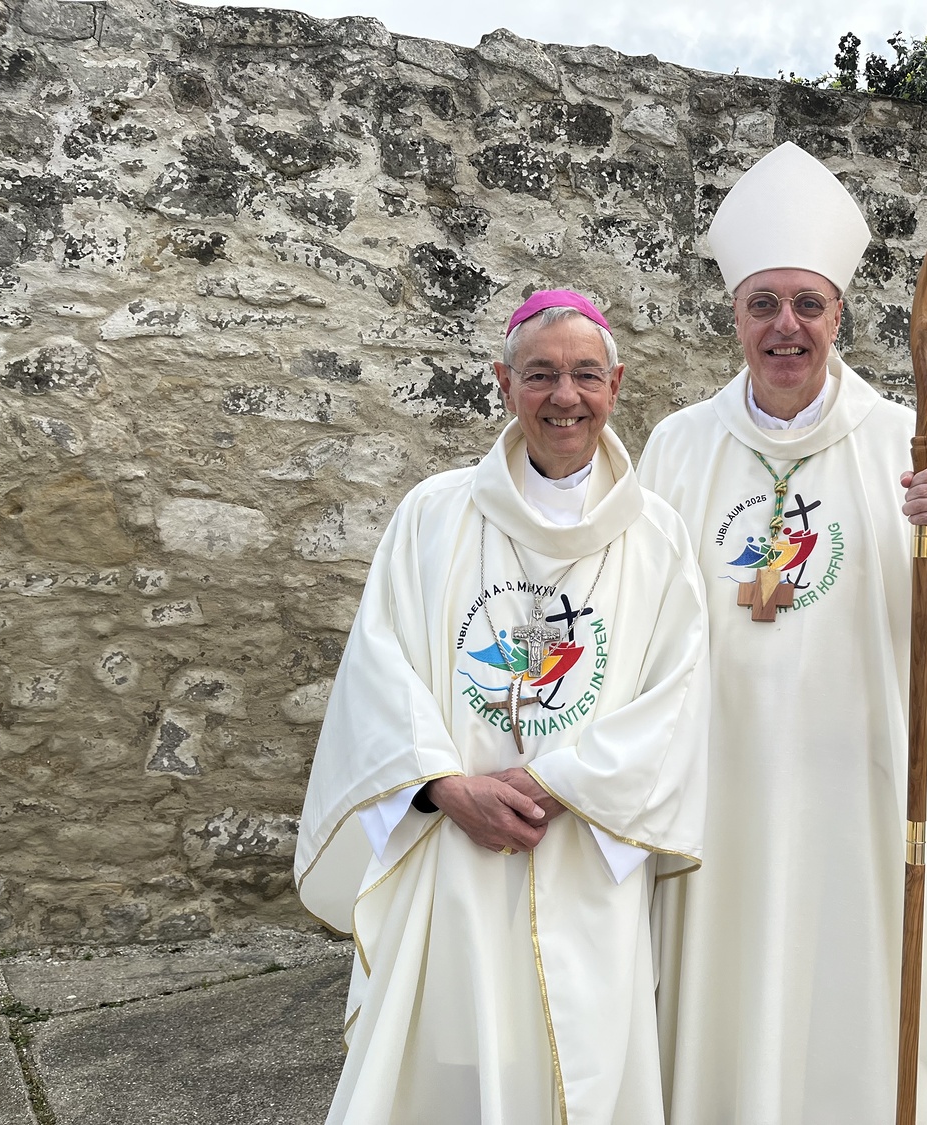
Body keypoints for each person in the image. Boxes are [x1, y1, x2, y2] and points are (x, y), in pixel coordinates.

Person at [638, 142, 927, 1124]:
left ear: (838, 315)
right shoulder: (678, 447)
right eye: (764, 303)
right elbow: (629, 611)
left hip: (859, 797)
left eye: (807, 304)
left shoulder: (906, 440)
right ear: (735, 316)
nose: (787, 325)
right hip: (718, 802)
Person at [295, 289, 710, 1125]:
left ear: (616, 384)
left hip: (581, 855)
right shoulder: (433, 514)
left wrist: (561, 783)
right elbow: (378, 666)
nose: (565, 396)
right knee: (454, 1062)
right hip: (455, 853)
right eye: (541, 374)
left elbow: (678, 698)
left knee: (579, 1062)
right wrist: (445, 787)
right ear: (503, 382)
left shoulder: (658, 538)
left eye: (585, 374)